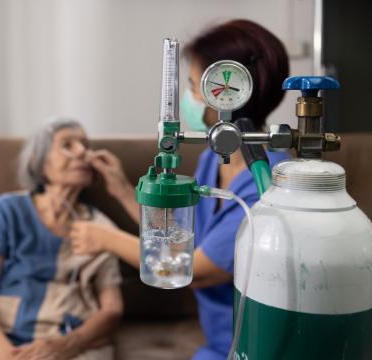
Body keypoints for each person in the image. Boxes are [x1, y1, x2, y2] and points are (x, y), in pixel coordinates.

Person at [70, 19, 290, 360]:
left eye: (193, 85)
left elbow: (191, 270)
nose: (189, 97)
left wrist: (103, 237)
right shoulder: (213, 159)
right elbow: (175, 236)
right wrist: (121, 190)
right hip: (219, 342)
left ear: (231, 93)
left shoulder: (270, 182)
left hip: (260, 345)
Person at [0, 119, 123, 360]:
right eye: (67, 145)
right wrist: (8, 356)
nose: (83, 152)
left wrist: (65, 345)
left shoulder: (101, 228)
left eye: (85, 144)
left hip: (66, 339)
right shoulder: (6, 210)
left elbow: (112, 310)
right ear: (38, 163)